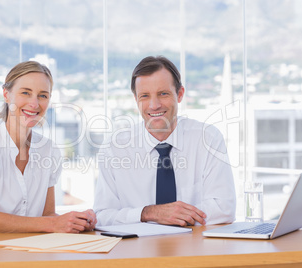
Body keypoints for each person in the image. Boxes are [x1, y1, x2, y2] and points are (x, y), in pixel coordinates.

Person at [0, 61, 96, 233]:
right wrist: (53, 224)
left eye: (43, 95)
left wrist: (76, 222)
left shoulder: (48, 150)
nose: (34, 104)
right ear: (6, 94)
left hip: (24, 249)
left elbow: (47, 215)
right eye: (26, 93)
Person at [94, 56, 236, 227]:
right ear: (136, 99)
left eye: (163, 94)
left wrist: (174, 216)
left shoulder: (208, 138)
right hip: (137, 250)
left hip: (195, 248)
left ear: (180, 94)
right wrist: (149, 213)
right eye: (145, 96)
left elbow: (224, 208)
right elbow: (102, 216)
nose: (154, 105)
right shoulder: (114, 148)